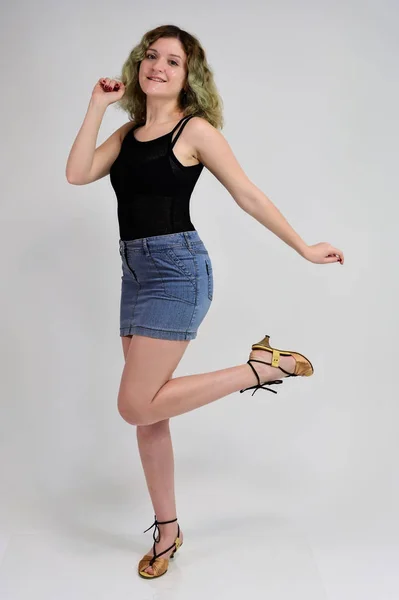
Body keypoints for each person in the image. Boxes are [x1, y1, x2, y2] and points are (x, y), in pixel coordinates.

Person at [66, 24, 344, 580]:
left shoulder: (196, 131)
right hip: (135, 273)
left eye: (172, 61)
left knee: (135, 404)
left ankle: (258, 370)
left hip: (177, 272)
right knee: (151, 411)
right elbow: (77, 174)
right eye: (151, 57)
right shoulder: (126, 135)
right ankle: (168, 528)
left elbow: (247, 194)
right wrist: (97, 105)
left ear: (188, 77)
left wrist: (303, 247)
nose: (158, 67)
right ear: (137, 67)